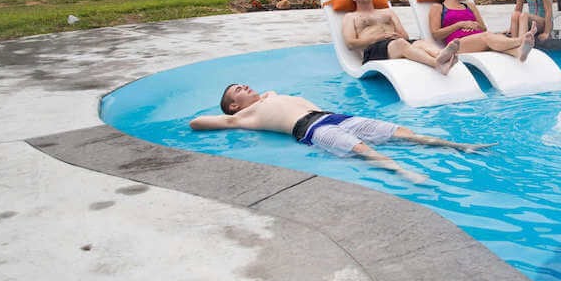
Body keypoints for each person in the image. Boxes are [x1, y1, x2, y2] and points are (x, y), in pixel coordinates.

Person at [189, 84, 493, 183]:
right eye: (238, 91)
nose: (245, 87)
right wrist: (230, 115)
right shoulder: (243, 116)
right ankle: (404, 173)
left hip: (332, 116)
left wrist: (266, 95)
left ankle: (457, 146)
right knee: (362, 150)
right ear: (233, 104)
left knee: (400, 132)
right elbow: (197, 123)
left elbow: (270, 93)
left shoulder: (268, 96)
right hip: (309, 129)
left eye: (244, 84)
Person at [342, 0, 459, 74]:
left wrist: (396, 36)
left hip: (395, 44)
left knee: (420, 43)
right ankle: (436, 64)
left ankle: (442, 56)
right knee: (401, 43)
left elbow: (404, 35)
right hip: (373, 50)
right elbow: (350, 43)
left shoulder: (388, 12)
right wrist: (378, 38)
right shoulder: (351, 17)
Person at [428, 0, 536, 61]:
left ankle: (518, 53)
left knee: (497, 37)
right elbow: (436, 34)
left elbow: (483, 28)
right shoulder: (438, 7)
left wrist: (474, 26)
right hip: (458, 44)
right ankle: (520, 40)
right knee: (487, 36)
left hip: (480, 38)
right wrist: (460, 25)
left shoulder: (469, 6)